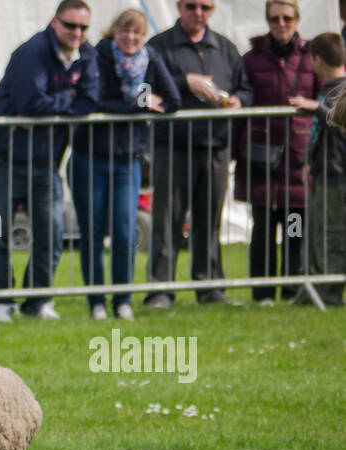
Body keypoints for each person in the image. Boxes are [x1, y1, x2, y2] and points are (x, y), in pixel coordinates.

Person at [0, 0, 100, 323]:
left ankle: (37, 300)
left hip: (44, 163)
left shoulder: (87, 54)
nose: (77, 33)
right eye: (70, 25)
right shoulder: (32, 52)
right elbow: (30, 103)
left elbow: (89, 99)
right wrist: (66, 101)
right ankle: (0, 301)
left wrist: (57, 105)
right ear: (55, 22)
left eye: (83, 27)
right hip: (1, 157)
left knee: (51, 233)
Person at [71, 9, 181, 322]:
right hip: (90, 156)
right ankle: (96, 301)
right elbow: (93, 101)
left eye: (137, 33)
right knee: (92, 232)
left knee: (124, 232)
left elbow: (173, 101)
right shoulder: (97, 57)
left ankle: (122, 300)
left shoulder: (151, 59)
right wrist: (137, 105)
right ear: (114, 31)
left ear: (143, 36)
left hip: (127, 160)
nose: (131, 38)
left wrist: (138, 103)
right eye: (125, 31)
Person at [145, 0, 253, 308]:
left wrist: (238, 101)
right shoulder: (159, 46)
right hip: (173, 147)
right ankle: (161, 290)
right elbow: (145, 88)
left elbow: (244, 87)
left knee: (209, 221)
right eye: (191, 6)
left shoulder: (225, 48)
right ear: (179, 7)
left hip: (216, 147)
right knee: (168, 220)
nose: (198, 12)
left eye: (205, 6)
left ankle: (210, 288)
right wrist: (184, 82)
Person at [235, 2, 318, 306]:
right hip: (261, 159)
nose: (281, 24)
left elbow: (327, 96)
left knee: (294, 227)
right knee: (263, 228)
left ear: (296, 19)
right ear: (267, 20)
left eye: (287, 18)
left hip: (298, 160)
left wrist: (312, 105)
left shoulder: (312, 58)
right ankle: (263, 292)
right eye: (275, 18)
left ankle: (292, 288)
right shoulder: (251, 59)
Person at [290, 33, 346, 305]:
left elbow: (340, 122)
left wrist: (317, 108)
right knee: (313, 231)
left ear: (317, 59)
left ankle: (331, 292)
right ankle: (311, 291)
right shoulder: (329, 87)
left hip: (338, 174)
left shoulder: (342, 88)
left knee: (333, 233)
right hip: (322, 171)